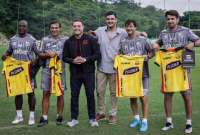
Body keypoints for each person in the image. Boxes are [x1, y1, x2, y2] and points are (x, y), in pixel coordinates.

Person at [93, 11, 147, 124]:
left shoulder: (122, 32)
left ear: (116, 20)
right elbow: (91, 35)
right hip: (101, 67)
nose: (110, 21)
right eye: (108, 19)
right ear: (105, 20)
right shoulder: (99, 30)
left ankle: (112, 114)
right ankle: (101, 113)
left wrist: (142, 33)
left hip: (116, 68)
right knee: (99, 91)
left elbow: (132, 32)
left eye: (112, 19)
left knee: (114, 92)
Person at [153, 10, 200, 134]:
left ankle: (189, 122)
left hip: (183, 68)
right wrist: (156, 44)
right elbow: (158, 43)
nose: (170, 21)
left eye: (172, 19)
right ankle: (169, 121)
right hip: (168, 69)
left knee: (186, 95)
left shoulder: (185, 30)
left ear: (177, 19)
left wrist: (193, 44)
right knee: (168, 95)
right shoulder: (163, 33)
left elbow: (199, 41)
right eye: (168, 19)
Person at [62, 19, 101, 127]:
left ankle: (92, 119)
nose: (76, 28)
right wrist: (73, 60)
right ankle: (74, 119)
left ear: (83, 27)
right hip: (75, 73)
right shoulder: (68, 41)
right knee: (74, 96)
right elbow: (65, 57)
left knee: (90, 95)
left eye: (79, 26)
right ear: (73, 28)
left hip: (88, 73)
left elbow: (97, 55)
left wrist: (86, 59)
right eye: (74, 26)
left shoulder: (91, 39)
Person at [1, 20, 39, 125]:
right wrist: (5, 55)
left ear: (27, 27)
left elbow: (38, 53)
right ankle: (19, 116)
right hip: (16, 71)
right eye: (20, 26)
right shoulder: (13, 39)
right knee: (17, 93)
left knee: (30, 93)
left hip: (28, 71)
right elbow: (9, 51)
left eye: (24, 26)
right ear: (18, 27)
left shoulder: (32, 40)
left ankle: (31, 117)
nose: (22, 28)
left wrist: (34, 62)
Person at [118, 19, 153, 132]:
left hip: (143, 74)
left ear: (135, 27)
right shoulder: (123, 41)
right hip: (130, 75)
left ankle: (145, 121)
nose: (129, 28)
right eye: (127, 26)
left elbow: (152, 51)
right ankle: (136, 118)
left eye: (131, 26)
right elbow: (120, 55)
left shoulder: (143, 40)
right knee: (132, 97)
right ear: (125, 28)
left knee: (143, 97)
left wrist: (148, 56)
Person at [38, 20, 68, 127]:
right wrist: (47, 54)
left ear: (60, 29)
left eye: (56, 28)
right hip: (47, 70)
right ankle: (44, 117)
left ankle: (59, 116)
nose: (54, 29)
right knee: (46, 93)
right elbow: (40, 54)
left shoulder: (65, 40)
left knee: (60, 93)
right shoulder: (44, 40)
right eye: (52, 28)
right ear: (49, 29)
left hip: (60, 71)